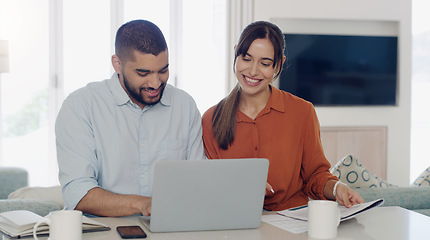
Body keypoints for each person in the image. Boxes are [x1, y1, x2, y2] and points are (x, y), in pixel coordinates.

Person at [202, 21, 364, 211]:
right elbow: (210, 186)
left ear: (279, 65)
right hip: (234, 223)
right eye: (246, 59)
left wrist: (337, 188)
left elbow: (315, 176)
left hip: (292, 222)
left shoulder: (302, 112)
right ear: (236, 53)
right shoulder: (211, 119)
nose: (253, 71)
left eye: (265, 63)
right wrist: (241, 186)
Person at [55, 19, 205, 217]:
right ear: (117, 64)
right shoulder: (80, 106)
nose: (155, 83)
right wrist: (143, 205)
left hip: (169, 230)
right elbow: (78, 193)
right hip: (100, 231)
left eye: (163, 70)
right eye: (143, 73)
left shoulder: (184, 106)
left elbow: (199, 182)